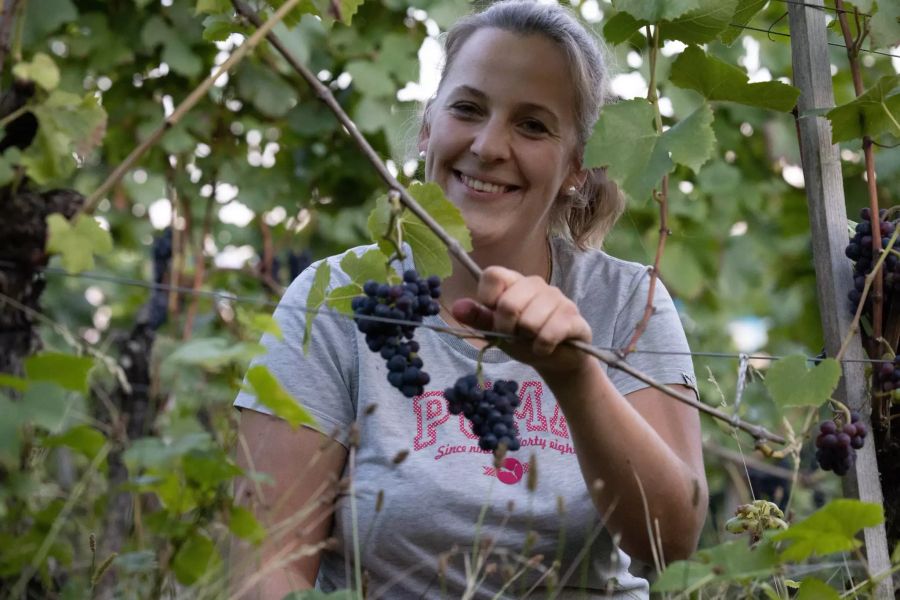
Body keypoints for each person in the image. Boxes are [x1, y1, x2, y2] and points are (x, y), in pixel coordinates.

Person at [231, 1, 708, 598]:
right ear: (429, 125)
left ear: (575, 169)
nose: (487, 145)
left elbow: (672, 540)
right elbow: (265, 564)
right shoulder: (341, 299)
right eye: (468, 109)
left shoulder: (625, 301)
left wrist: (577, 380)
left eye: (532, 125)